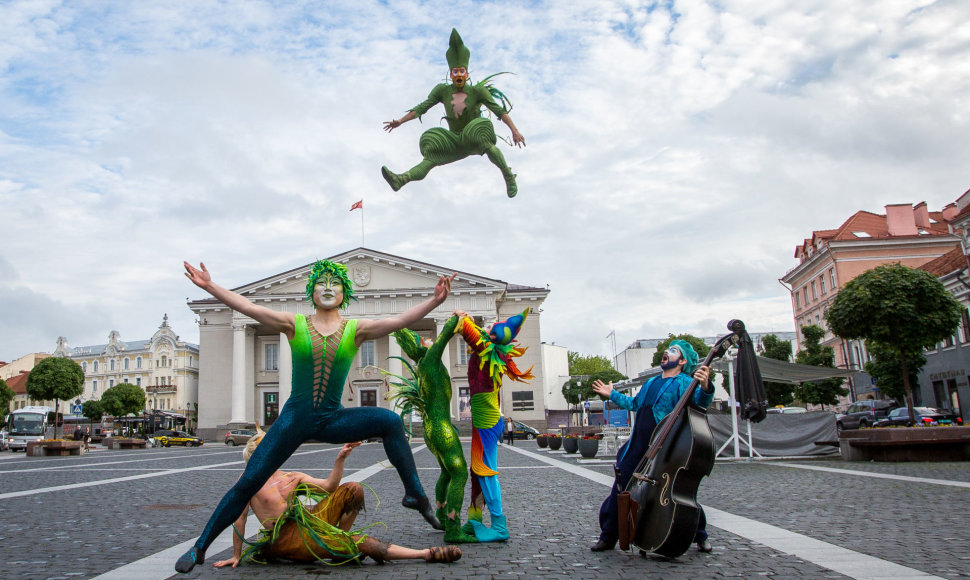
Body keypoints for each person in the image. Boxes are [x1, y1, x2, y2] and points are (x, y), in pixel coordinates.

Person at [175, 259, 454, 573]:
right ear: (312, 290)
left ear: (344, 292)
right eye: (321, 283)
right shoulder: (296, 324)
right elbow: (250, 309)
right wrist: (211, 286)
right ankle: (200, 548)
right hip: (294, 420)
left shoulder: (355, 329)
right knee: (248, 482)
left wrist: (434, 301)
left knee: (389, 421)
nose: (328, 288)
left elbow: (399, 320)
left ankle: (414, 494)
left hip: (332, 419)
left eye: (334, 284)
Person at [212, 437, 461, 568]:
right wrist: (236, 555)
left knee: (353, 489)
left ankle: (335, 542)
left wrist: (340, 458)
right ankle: (426, 554)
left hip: (307, 524)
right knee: (359, 544)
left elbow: (330, 487)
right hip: (285, 538)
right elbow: (240, 517)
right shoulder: (248, 481)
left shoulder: (291, 477)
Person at [590, 340, 715, 554]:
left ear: (683, 361)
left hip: (664, 445)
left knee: (676, 491)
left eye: (674, 351)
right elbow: (635, 404)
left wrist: (704, 386)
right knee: (620, 490)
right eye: (667, 350)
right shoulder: (651, 382)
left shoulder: (685, 382)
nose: (667, 352)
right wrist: (612, 394)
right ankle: (608, 536)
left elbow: (700, 402)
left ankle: (700, 534)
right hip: (638, 444)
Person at [382, 28, 525, 198]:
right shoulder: (442, 90)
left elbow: (499, 112)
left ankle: (508, 176)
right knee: (430, 145)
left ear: (466, 73)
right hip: (455, 141)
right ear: (450, 74)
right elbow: (422, 107)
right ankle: (402, 179)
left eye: (461, 71)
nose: (458, 74)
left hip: (474, 136)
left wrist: (514, 131)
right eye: (455, 71)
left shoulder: (477, 91)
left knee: (479, 129)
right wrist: (400, 121)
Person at [390, 313, 477, 543]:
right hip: (441, 427)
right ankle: (453, 529)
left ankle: (441, 513)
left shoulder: (425, 366)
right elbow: (444, 335)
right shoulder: (429, 361)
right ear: (421, 349)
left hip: (432, 428)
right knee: (458, 472)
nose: (429, 341)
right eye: (424, 341)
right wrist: (456, 318)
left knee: (446, 472)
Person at [455, 309, 533, 542]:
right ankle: (474, 519)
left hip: (486, 422)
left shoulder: (486, 350)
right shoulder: (493, 352)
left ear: (495, 337)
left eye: (490, 329)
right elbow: (479, 334)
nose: (485, 329)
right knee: (477, 472)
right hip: (486, 421)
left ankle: (499, 526)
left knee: (486, 472)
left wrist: (462, 318)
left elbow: (472, 334)